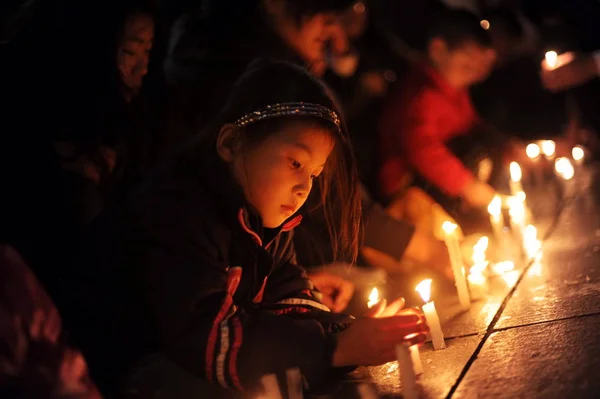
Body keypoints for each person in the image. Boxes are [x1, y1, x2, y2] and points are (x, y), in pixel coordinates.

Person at [66, 61, 429, 397]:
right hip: (121, 371)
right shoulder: (176, 213)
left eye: (315, 174)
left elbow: (288, 296)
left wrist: (345, 332)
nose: (305, 187)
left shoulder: (267, 221)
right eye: (295, 162)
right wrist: (334, 349)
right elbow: (203, 334)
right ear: (230, 143)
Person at [378, 8, 503, 220]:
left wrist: (503, 143)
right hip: (407, 185)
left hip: (444, 175)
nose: (473, 76)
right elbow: (421, 149)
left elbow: (470, 123)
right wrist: (466, 185)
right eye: (466, 66)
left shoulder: (453, 86)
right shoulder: (421, 95)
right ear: (438, 50)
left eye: (480, 70)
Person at [0, 245, 101, 398]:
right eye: (90, 379)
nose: (81, 359)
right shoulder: (48, 328)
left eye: (83, 380)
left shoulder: (16, 332)